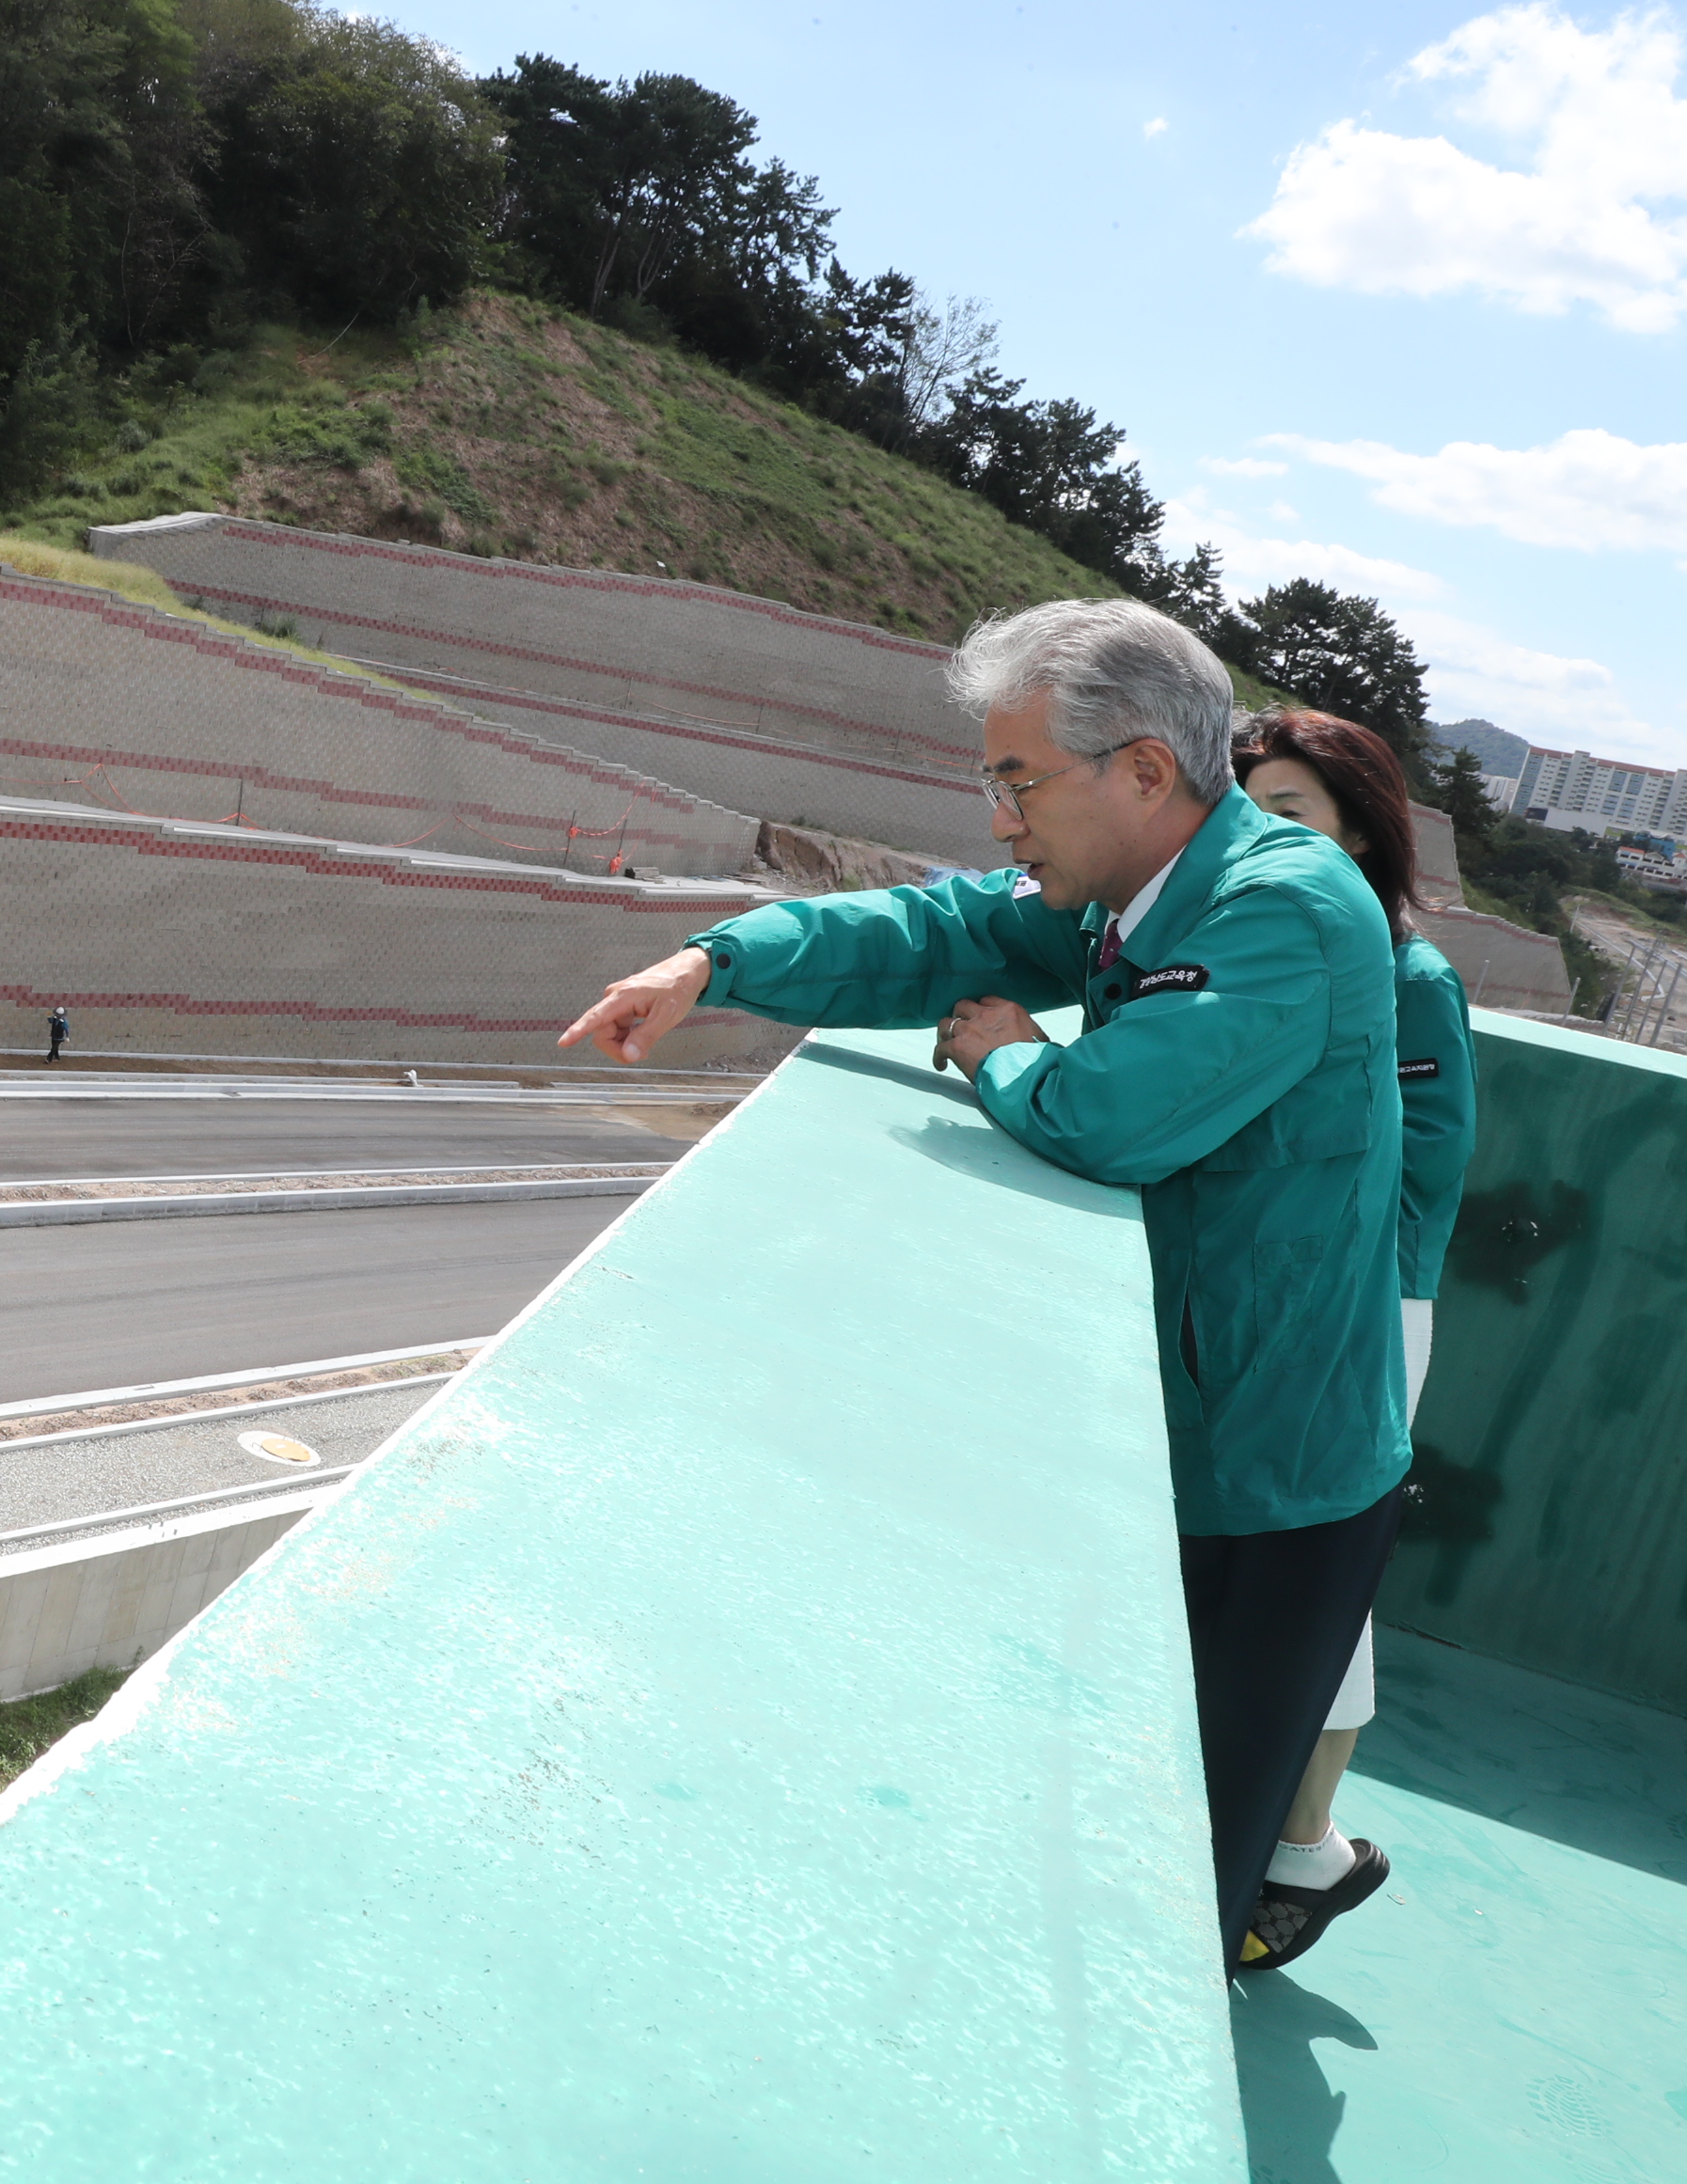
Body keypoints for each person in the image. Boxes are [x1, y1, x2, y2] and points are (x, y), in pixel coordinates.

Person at [560, 598, 1411, 1971]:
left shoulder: (1282, 910)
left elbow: (1110, 1117)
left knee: (1179, 1859)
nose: (1003, 823)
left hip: (1270, 1474)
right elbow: (933, 932)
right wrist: (716, 960)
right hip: (1183, 1430)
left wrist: (1003, 1052)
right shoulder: (1139, 891)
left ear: (1142, 772)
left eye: (1018, 782)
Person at [1231, 708, 1478, 1970]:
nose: (1264, 838)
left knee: (1326, 1581)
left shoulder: (1411, 973)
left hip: (1370, 1313)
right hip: (1278, 1296)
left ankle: (1309, 1845)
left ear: (1360, 832)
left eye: (1294, 814)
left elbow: (1426, 1168)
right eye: (1250, 810)